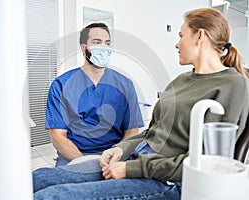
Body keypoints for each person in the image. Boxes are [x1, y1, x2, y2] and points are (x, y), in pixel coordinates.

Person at [34, 8, 249, 199]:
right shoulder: (181, 81)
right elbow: (150, 132)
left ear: (199, 36)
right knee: (39, 178)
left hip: (166, 180)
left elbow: (207, 161)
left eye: (181, 35)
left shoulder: (233, 85)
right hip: (134, 159)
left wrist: (132, 168)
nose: (177, 43)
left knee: (53, 195)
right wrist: (120, 149)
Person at [45, 22, 144, 166]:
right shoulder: (61, 85)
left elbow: (132, 131)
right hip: (74, 157)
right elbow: (58, 136)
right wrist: (84, 162)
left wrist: (115, 156)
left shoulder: (125, 84)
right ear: (84, 48)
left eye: (107, 43)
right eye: (97, 42)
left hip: (113, 157)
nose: (104, 47)